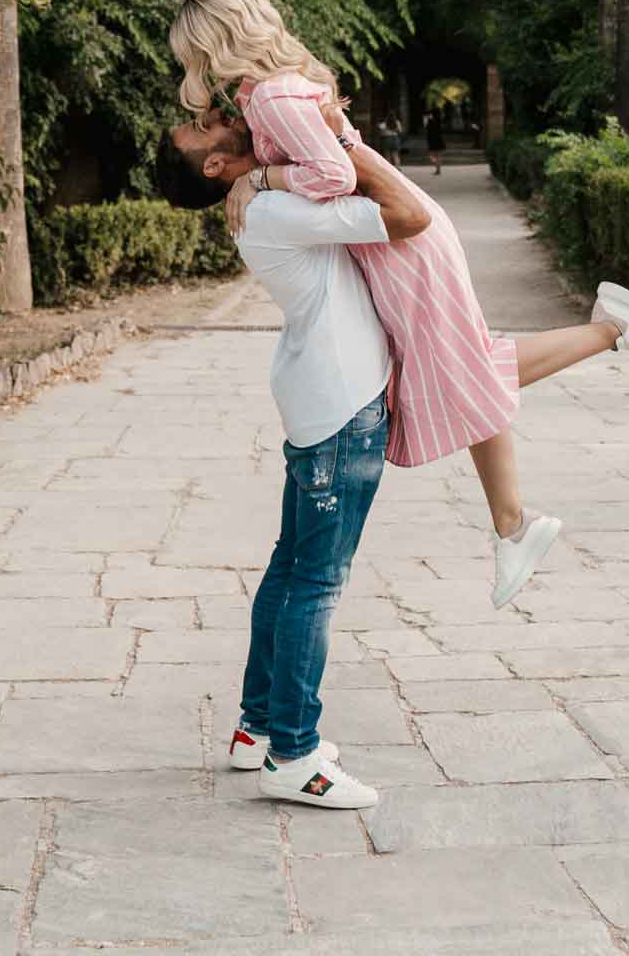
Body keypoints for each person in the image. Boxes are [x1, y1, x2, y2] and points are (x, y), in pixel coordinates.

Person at [169, 0, 629, 612]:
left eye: (189, 52)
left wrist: (265, 177)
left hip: (402, 241)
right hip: (393, 239)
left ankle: (532, 489)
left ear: (210, 42)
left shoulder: (272, 97)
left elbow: (332, 174)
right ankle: (521, 510)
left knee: (461, 369)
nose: (191, 73)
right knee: (460, 368)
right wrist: (255, 178)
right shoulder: (266, 95)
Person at [155, 111, 432, 811]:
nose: (208, 118)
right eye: (195, 130)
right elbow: (409, 212)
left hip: (321, 397)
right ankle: (295, 756)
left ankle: (258, 728)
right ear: (214, 167)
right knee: (316, 581)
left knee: (290, 568)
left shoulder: (268, 201)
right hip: (341, 405)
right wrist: (340, 139)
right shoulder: (274, 208)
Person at [426, 106, 445, 175]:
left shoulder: (430, 121)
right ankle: (438, 169)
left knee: (431, 155)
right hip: (439, 139)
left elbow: (428, 130)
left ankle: (437, 167)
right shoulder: (439, 120)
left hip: (432, 140)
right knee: (438, 155)